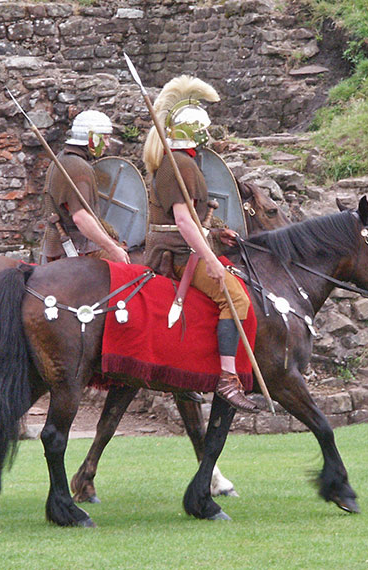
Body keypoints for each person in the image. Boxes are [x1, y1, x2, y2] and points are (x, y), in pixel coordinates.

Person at [143, 76, 258, 414]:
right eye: (205, 130)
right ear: (194, 134)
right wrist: (209, 256)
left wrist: (215, 237)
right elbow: (181, 222)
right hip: (178, 255)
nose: (209, 137)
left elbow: (194, 220)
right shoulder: (181, 165)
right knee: (235, 297)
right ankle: (226, 378)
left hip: (185, 247)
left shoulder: (179, 162)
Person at [42, 110, 130, 264]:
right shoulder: (78, 167)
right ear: (92, 138)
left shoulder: (62, 159)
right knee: (135, 273)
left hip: (59, 247)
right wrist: (113, 249)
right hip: (78, 249)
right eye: (105, 138)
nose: (108, 144)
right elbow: (80, 218)